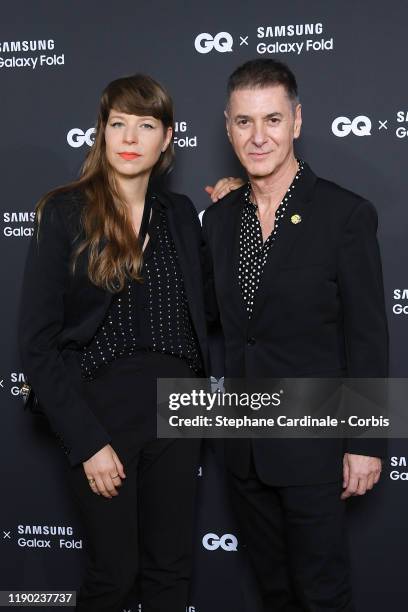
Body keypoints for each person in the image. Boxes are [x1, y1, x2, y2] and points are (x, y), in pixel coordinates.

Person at [202, 59, 388, 611]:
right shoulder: (219, 222)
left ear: (297, 121)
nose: (258, 137)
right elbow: (218, 321)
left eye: (272, 119)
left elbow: (368, 336)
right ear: (228, 127)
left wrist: (365, 442)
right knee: (274, 593)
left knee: (321, 594)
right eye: (243, 122)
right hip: (244, 450)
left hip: (315, 445)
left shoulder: (344, 214)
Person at [19, 74, 209, 612]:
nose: (129, 136)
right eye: (117, 123)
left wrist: (238, 206)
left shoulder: (180, 215)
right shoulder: (64, 211)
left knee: (172, 574)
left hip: (183, 406)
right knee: (115, 576)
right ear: (101, 132)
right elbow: (37, 343)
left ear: (167, 138)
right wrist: (86, 441)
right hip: (102, 410)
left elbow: (211, 306)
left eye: (145, 125)